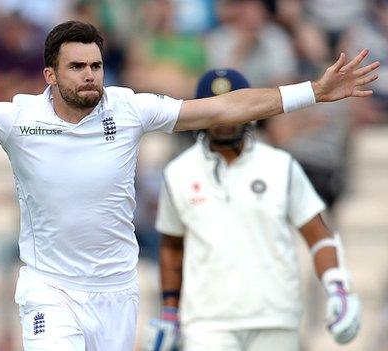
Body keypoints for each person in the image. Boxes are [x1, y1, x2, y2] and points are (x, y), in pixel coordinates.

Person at [0, 20, 379, 351]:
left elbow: (221, 110)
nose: (91, 76)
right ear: (50, 74)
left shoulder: (129, 109)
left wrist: (312, 92)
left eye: (96, 65)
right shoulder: (17, 117)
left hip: (114, 291)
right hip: (48, 288)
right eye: (78, 67)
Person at [146, 69, 361, 351]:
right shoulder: (178, 173)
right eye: (216, 111)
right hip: (206, 322)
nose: (225, 120)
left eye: (233, 110)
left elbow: (318, 234)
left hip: (275, 317)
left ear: (252, 113)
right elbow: (172, 246)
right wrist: (170, 312)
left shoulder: (280, 166)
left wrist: (337, 286)